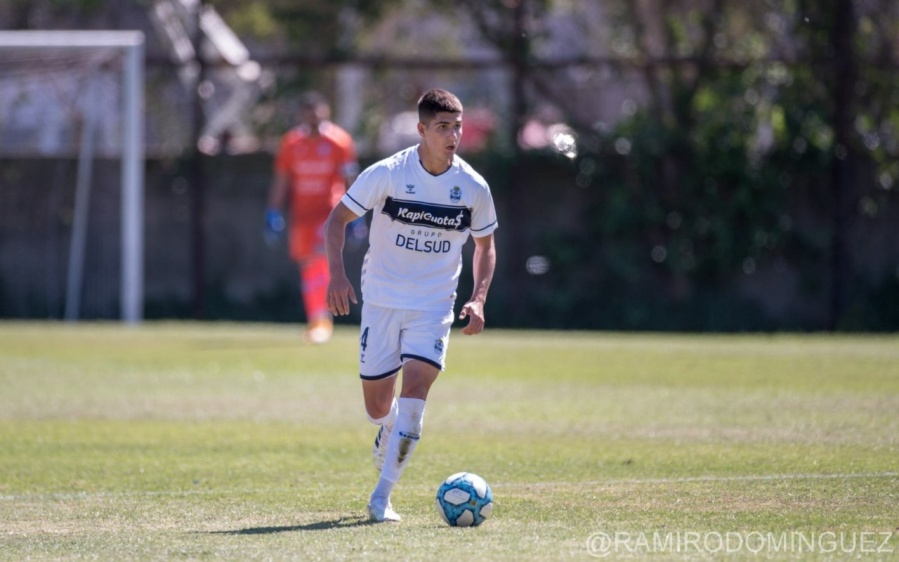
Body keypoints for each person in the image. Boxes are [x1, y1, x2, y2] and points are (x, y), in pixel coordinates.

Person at [323, 88, 499, 522]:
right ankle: (388, 426)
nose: (452, 135)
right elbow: (336, 220)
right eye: (442, 127)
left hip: (433, 305)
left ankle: (381, 497)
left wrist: (477, 299)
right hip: (382, 299)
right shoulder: (387, 173)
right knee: (378, 408)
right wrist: (337, 275)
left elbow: (485, 246)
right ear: (422, 130)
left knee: (416, 393)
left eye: (457, 126)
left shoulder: (473, 186)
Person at [266, 91, 359, 344]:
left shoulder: (339, 141)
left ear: (325, 112)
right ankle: (317, 318)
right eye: (308, 112)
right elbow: (282, 179)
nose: (314, 117)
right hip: (302, 215)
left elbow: (350, 177)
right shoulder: (291, 143)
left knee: (320, 259)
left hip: (329, 213)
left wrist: (356, 214)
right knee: (308, 265)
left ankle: (322, 320)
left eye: (317, 111)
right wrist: (273, 211)